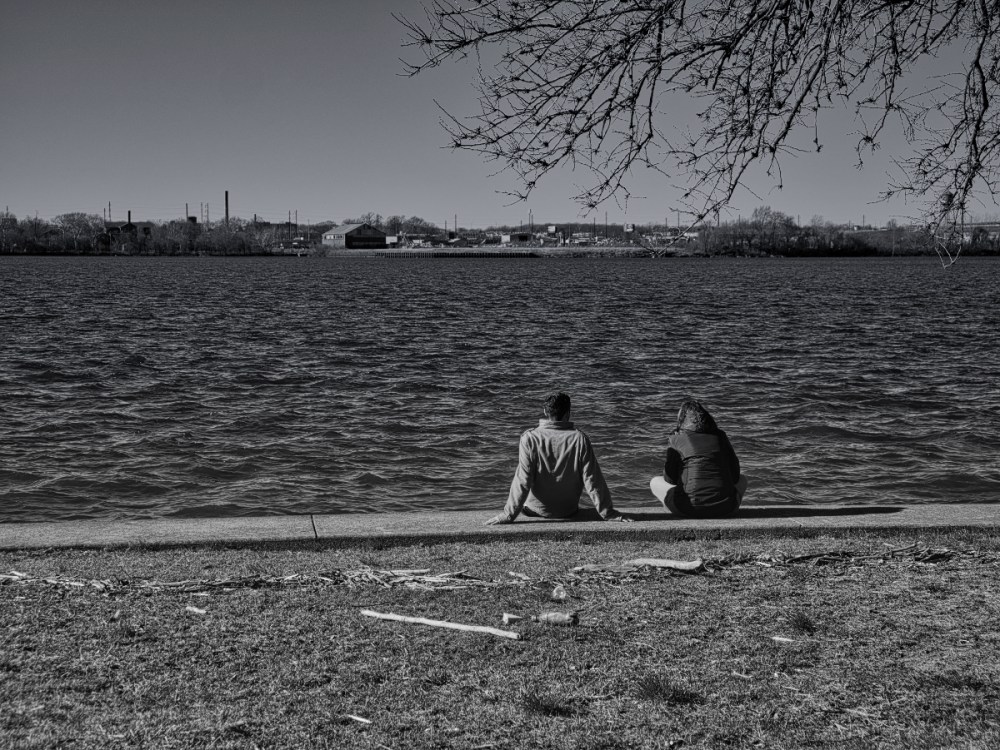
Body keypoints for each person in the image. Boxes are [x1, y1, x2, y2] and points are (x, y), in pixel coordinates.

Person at [485, 392, 631, 525]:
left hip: (534, 511)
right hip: (568, 511)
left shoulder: (529, 438)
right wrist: (608, 513)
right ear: (568, 413)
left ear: (545, 412)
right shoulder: (580, 439)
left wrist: (508, 515)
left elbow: (523, 480)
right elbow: (593, 480)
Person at [650, 398, 748, 518]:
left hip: (688, 508)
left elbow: (670, 479)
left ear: (682, 420)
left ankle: (671, 508)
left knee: (654, 482)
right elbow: (735, 475)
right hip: (727, 508)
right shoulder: (720, 436)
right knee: (743, 479)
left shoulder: (676, 438)